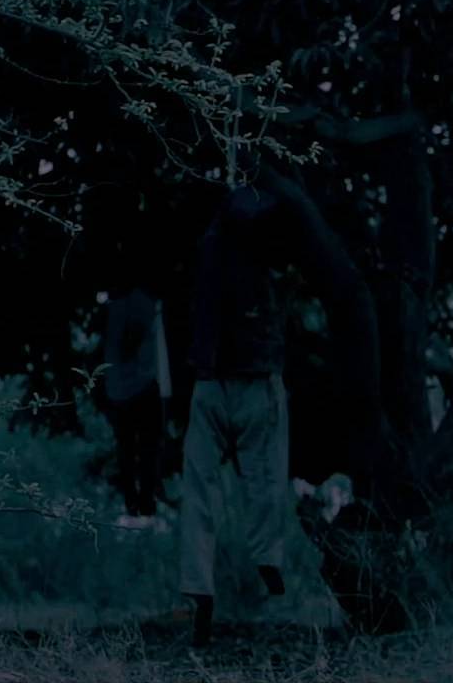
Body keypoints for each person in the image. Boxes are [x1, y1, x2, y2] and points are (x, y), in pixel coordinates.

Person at [179, 182, 294, 646]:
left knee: (198, 488)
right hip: (254, 378)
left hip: (209, 381)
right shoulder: (269, 242)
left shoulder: (206, 245)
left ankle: (197, 585)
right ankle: (268, 556)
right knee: (266, 476)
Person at [101, 254, 172, 522]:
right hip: (138, 387)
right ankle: (143, 497)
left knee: (129, 447)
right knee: (145, 445)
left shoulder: (115, 307)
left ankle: (137, 497)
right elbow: (131, 345)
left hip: (121, 390)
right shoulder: (140, 304)